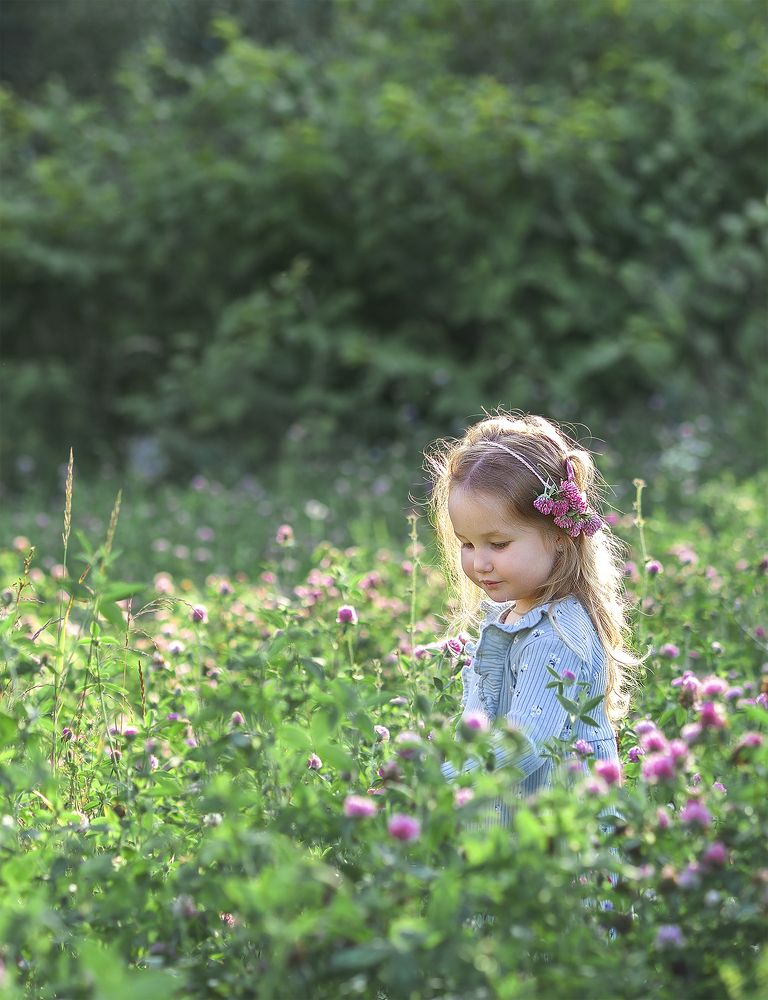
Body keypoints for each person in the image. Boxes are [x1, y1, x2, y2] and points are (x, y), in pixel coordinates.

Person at [424, 411, 640, 820]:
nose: (479, 563)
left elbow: (521, 745)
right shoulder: (511, 618)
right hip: (514, 835)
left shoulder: (558, 634)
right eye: (466, 544)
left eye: (499, 544)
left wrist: (439, 779)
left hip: (562, 852)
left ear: (559, 537)